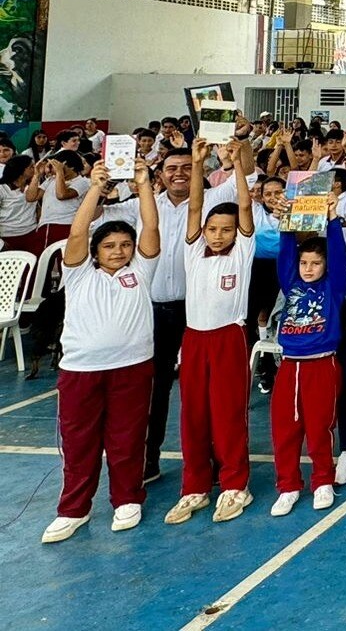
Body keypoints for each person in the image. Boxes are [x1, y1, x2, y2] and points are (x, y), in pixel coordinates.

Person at [99, 145, 239, 485]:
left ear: (198, 170)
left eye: (187, 167)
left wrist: (238, 144)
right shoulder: (141, 205)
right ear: (159, 174)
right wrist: (102, 184)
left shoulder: (211, 201)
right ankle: (148, 458)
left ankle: (214, 459)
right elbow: (96, 217)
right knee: (154, 387)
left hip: (199, 313)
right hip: (154, 311)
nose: (179, 173)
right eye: (171, 168)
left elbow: (245, 179)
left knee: (206, 391)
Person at [42, 159, 159, 544]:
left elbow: (151, 228)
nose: (119, 251)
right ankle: (74, 509)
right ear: (94, 251)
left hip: (133, 367)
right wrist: (95, 187)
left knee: (128, 437)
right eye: (109, 246)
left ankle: (127, 499)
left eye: (125, 245)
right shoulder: (78, 272)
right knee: (79, 442)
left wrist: (144, 184)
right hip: (81, 370)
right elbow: (77, 232)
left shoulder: (140, 271)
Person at [165, 139, 255, 526]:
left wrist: (237, 166)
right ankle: (195, 487)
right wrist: (198, 163)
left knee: (228, 413)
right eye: (212, 229)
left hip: (228, 338)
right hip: (194, 339)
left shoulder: (242, 253)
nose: (218, 235)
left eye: (226, 230)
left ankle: (235, 484)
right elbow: (195, 206)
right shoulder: (193, 250)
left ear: (237, 233)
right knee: (194, 415)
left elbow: (245, 206)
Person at [271, 205, 346, 516]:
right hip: (290, 365)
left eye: (316, 263)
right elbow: (285, 254)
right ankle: (288, 485)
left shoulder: (333, 287)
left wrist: (332, 219)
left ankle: (322, 481)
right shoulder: (291, 283)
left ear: (326, 266)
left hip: (321, 364)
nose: (307, 268)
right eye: (304, 262)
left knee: (319, 427)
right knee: (285, 429)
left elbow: (339, 256)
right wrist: (287, 222)